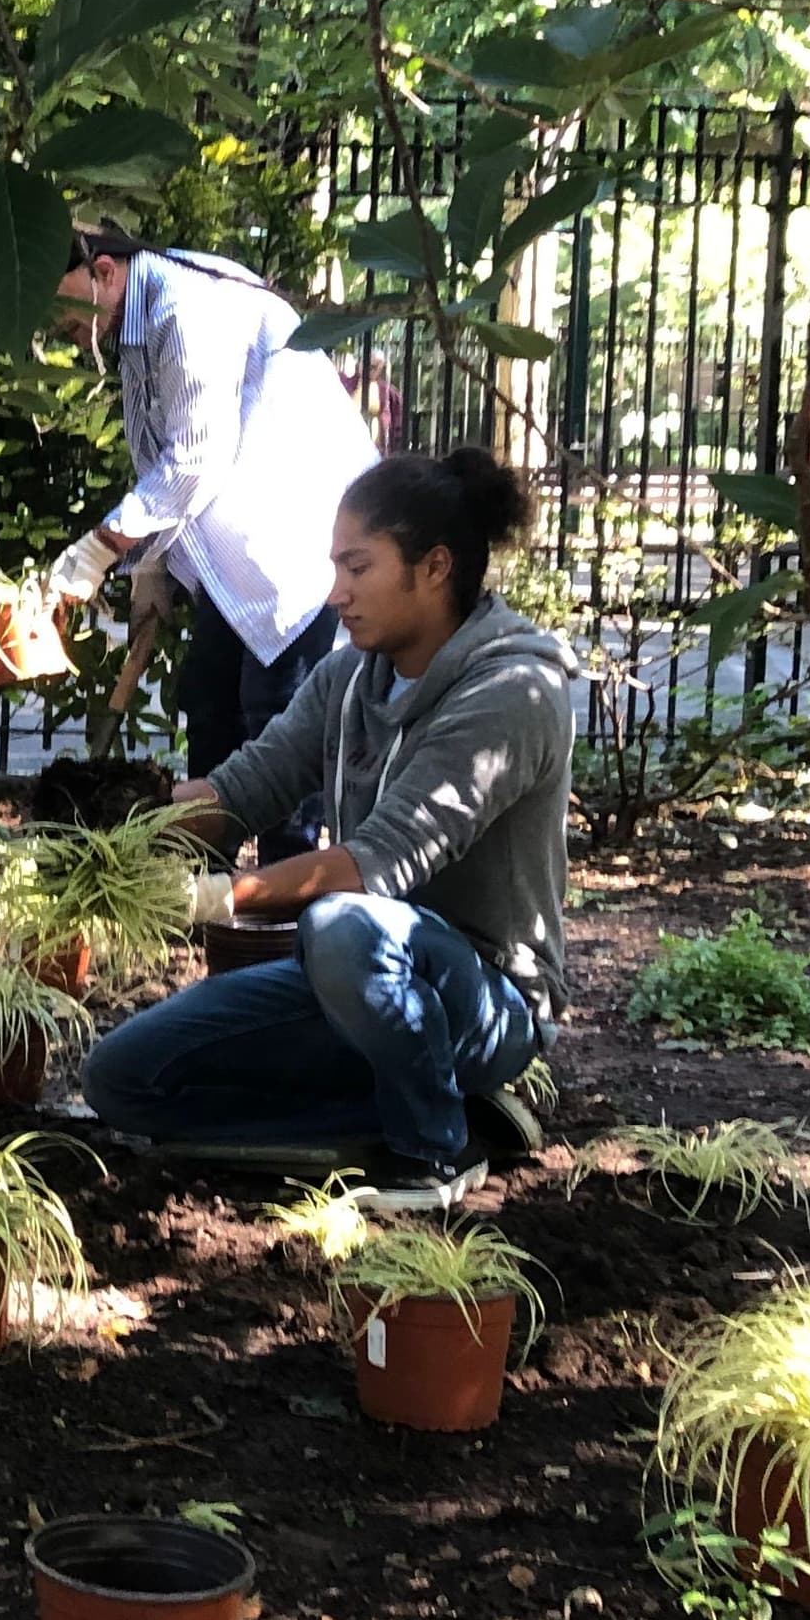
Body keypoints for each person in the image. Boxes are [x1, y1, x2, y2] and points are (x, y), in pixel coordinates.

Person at [80, 449, 574, 1210]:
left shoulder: (512, 690)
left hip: (482, 1000)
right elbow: (247, 786)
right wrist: (113, 831)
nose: (335, 592)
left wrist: (206, 898)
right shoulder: (348, 677)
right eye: (334, 567)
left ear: (434, 567)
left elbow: (378, 863)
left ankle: (434, 1149)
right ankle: (418, 1114)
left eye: (357, 567)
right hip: (350, 982)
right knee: (122, 1079)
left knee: (342, 924)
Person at [40, 229, 376, 855]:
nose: (53, 324)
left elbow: (194, 458)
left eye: (57, 302)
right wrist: (152, 571)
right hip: (232, 553)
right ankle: (206, 893)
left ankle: (283, 904)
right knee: (209, 703)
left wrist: (98, 551)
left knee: (278, 718)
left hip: (293, 542)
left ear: (103, 272)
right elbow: (157, 454)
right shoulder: (133, 323)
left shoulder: (185, 308)